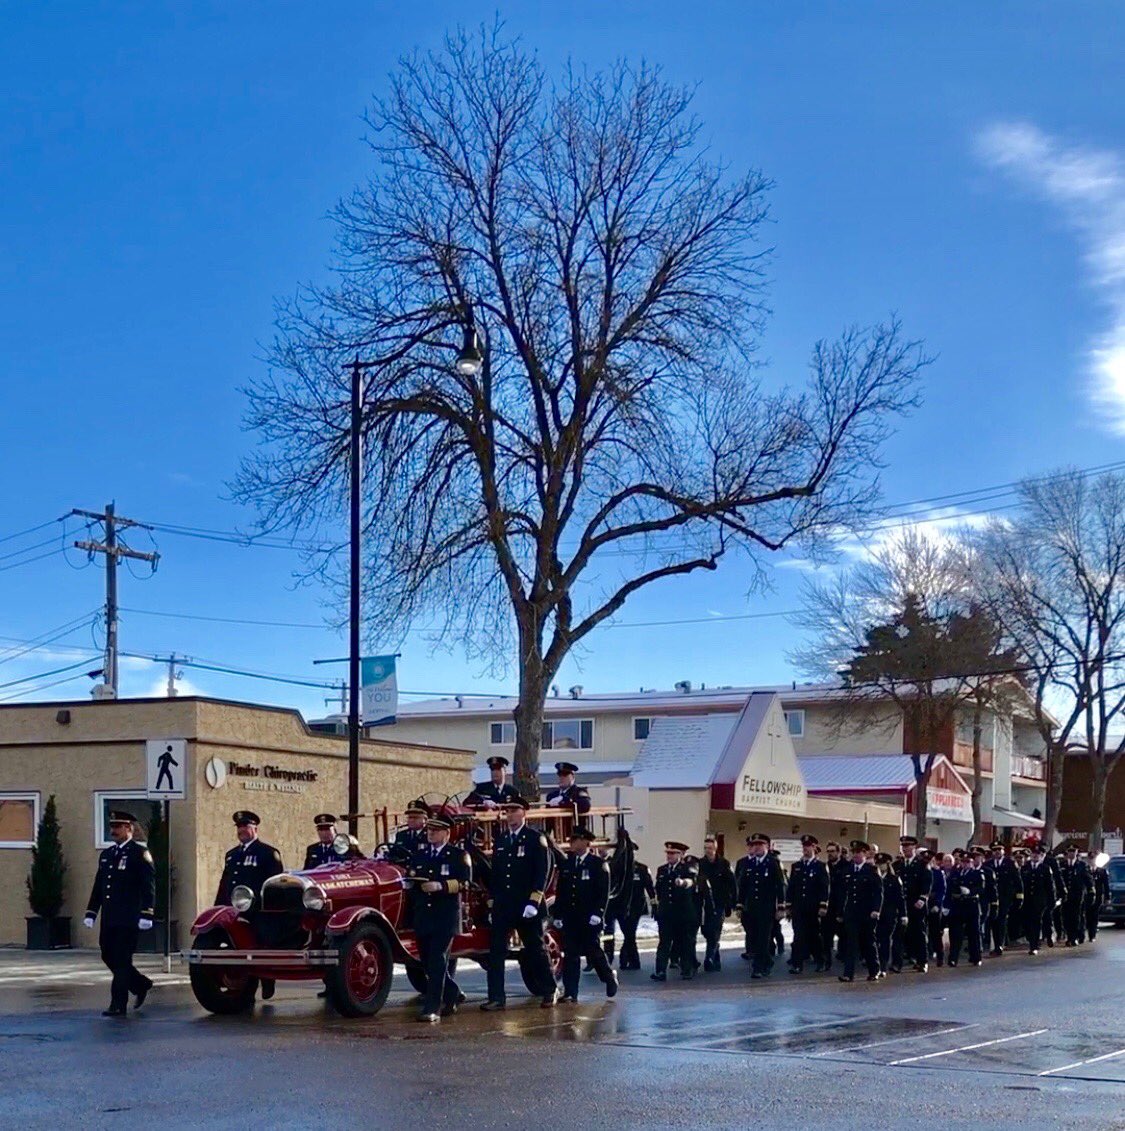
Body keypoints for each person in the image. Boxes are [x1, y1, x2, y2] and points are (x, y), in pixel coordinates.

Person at [481, 797, 557, 1010]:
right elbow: (497, 874)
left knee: (535, 949)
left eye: (514, 810)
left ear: (524, 813)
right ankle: (496, 997)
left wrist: (535, 900)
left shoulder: (535, 839)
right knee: (496, 952)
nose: (510, 815)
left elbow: (542, 872)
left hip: (526, 905)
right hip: (504, 905)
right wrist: (492, 900)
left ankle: (549, 989)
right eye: (507, 811)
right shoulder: (502, 840)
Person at [83, 810, 156, 1017]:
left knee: (122, 959)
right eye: (112, 827)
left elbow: (148, 885)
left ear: (129, 828)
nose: (113, 831)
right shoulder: (107, 854)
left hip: (129, 917)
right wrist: (91, 911)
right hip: (110, 917)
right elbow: (99, 885)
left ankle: (118, 1004)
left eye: (118, 827)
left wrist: (147, 913)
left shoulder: (139, 853)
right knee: (108, 955)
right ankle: (140, 984)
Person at [216, 810, 284, 999]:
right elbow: (225, 883)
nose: (241, 830)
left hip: (258, 911)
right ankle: (243, 990)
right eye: (239, 827)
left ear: (255, 828)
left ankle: (268, 980)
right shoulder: (232, 855)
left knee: (259, 947)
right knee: (237, 947)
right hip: (234, 911)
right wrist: (219, 907)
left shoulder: (267, 853)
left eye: (245, 826)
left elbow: (275, 885)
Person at [409, 815, 471, 1023]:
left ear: (447, 833)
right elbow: (413, 878)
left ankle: (432, 1008)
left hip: (444, 916)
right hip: (423, 916)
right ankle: (452, 993)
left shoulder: (458, 855)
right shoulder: (420, 854)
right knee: (427, 962)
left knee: (437, 961)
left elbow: (465, 882)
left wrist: (441, 886)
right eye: (429, 830)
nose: (431, 834)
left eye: (435, 831)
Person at [553, 827, 618, 1002]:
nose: (572, 843)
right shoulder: (568, 864)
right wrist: (558, 914)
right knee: (571, 955)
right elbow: (562, 892)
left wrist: (599, 913)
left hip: (589, 918)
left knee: (593, 951)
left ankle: (609, 977)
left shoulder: (598, 864)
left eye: (575, 840)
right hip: (571, 917)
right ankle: (570, 992)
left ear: (585, 842)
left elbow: (603, 892)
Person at [735, 833, 786, 980]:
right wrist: (740, 905)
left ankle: (758, 968)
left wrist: (781, 907)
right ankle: (767, 961)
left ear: (767, 846)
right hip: (751, 908)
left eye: (760, 844)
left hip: (767, 908)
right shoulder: (749, 863)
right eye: (754, 845)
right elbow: (743, 886)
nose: (756, 847)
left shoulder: (772, 863)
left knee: (763, 938)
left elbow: (780, 885)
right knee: (755, 937)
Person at [651, 841, 699, 981]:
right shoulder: (662, 870)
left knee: (685, 942)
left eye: (673, 853)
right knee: (664, 943)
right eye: (668, 853)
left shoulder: (687, 868)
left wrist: (683, 883)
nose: (669, 856)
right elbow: (659, 889)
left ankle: (687, 969)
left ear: (680, 855)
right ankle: (660, 971)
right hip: (666, 913)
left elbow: (691, 881)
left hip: (683, 913)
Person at [838, 840, 882, 983]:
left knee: (868, 942)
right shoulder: (848, 870)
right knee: (851, 943)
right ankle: (848, 974)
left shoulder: (872, 870)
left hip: (867, 913)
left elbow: (878, 892)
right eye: (854, 852)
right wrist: (841, 912)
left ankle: (874, 970)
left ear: (865, 854)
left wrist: (876, 909)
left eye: (858, 852)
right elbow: (842, 893)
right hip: (852, 913)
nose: (855, 855)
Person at [787, 835, 830, 974]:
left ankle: (821, 961)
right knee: (798, 936)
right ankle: (797, 964)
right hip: (799, 907)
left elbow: (824, 887)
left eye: (808, 846)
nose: (805, 849)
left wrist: (823, 905)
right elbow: (791, 887)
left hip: (813, 908)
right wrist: (788, 906)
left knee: (814, 936)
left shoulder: (820, 866)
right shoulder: (796, 866)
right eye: (804, 846)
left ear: (814, 847)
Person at [697, 834, 736, 972]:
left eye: (710, 848)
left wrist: (732, 904)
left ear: (715, 848)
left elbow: (732, 884)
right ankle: (715, 956)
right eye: (705, 848)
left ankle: (709, 958)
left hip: (719, 903)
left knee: (715, 931)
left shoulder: (724, 864)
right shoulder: (700, 864)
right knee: (707, 931)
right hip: (704, 904)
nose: (708, 851)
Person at [894, 835, 932, 973]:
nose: (905, 849)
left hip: (916, 904)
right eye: (903, 846)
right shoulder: (898, 865)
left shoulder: (922, 864)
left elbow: (927, 882)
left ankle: (922, 961)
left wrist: (922, 898)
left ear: (914, 847)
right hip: (902, 905)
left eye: (908, 846)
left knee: (919, 933)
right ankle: (897, 963)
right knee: (899, 934)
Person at [948, 846, 988, 967]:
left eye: (968, 862)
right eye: (963, 861)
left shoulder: (977, 874)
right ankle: (953, 958)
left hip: (971, 905)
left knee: (973, 933)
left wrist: (970, 892)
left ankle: (976, 957)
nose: (965, 864)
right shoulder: (955, 874)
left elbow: (981, 888)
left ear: (972, 862)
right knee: (956, 934)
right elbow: (949, 888)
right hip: (958, 906)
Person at [616, 848, 655, 971]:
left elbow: (649, 887)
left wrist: (654, 903)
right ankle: (630, 959)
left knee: (630, 932)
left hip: (636, 906)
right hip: (621, 906)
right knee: (628, 933)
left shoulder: (641, 868)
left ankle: (630, 960)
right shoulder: (617, 868)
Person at [986, 842, 1023, 956]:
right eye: (995, 850)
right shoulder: (988, 864)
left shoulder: (1010, 863)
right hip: (993, 898)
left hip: (1006, 897)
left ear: (1003, 851)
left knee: (1001, 920)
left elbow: (1017, 880)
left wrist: (1019, 897)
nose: (997, 852)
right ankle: (997, 943)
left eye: (999, 849)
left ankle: (999, 945)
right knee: (994, 921)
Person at [1021, 841, 1057, 955]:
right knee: (1027, 922)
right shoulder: (1025, 868)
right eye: (1033, 854)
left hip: (1040, 901)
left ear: (1041, 856)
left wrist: (1052, 900)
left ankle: (1034, 945)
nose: (1035, 856)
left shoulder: (1045, 869)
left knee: (1036, 922)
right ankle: (1031, 939)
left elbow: (1050, 886)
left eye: (1037, 854)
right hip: (1027, 900)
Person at [875, 852, 907, 976]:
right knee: (876, 940)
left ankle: (883, 966)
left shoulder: (894, 879)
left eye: (882, 864)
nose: (880, 866)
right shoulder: (874, 878)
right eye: (878, 864)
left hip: (889, 914)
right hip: (876, 913)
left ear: (887, 864)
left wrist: (903, 914)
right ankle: (877, 964)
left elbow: (900, 898)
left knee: (885, 940)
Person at [1059, 844, 1093, 945]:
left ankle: (1074, 937)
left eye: (1074, 851)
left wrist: (1091, 890)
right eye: (1070, 851)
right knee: (1065, 916)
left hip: (1077, 895)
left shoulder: (1082, 865)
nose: (1071, 853)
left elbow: (1088, 879)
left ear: (1077, 852)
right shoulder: (1062, 864)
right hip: (1065, 895)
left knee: (1076, 916)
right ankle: (1069, 935)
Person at [822, 841, 847, 973]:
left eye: (832, 851)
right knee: (826, 937)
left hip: (842, 907)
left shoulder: (847, 866)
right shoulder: (824, 867)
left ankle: (845, 959)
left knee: (844, 936)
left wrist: (842, 911)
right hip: (828, 907)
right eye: (828, 851)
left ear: (838, 852)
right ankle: (826, 962)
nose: (830, 854)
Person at [926, 851, 947, 967]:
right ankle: (925, 955)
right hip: (923, 904)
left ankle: (940, 955)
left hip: (934, 904)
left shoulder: (938, 873)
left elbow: (942, 890)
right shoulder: (922, 871)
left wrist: (937, 904)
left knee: (935, 932)